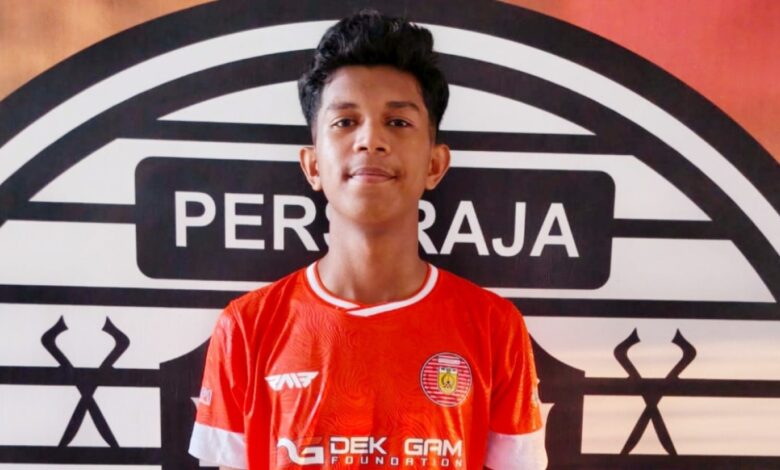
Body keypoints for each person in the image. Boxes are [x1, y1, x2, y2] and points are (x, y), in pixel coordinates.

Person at [188, 9, 547, 470]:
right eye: (345, 122)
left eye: (398, 122)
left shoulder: (494, 328)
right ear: (313, 165)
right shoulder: (247, 328)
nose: (371, 140)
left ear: (435, 164)